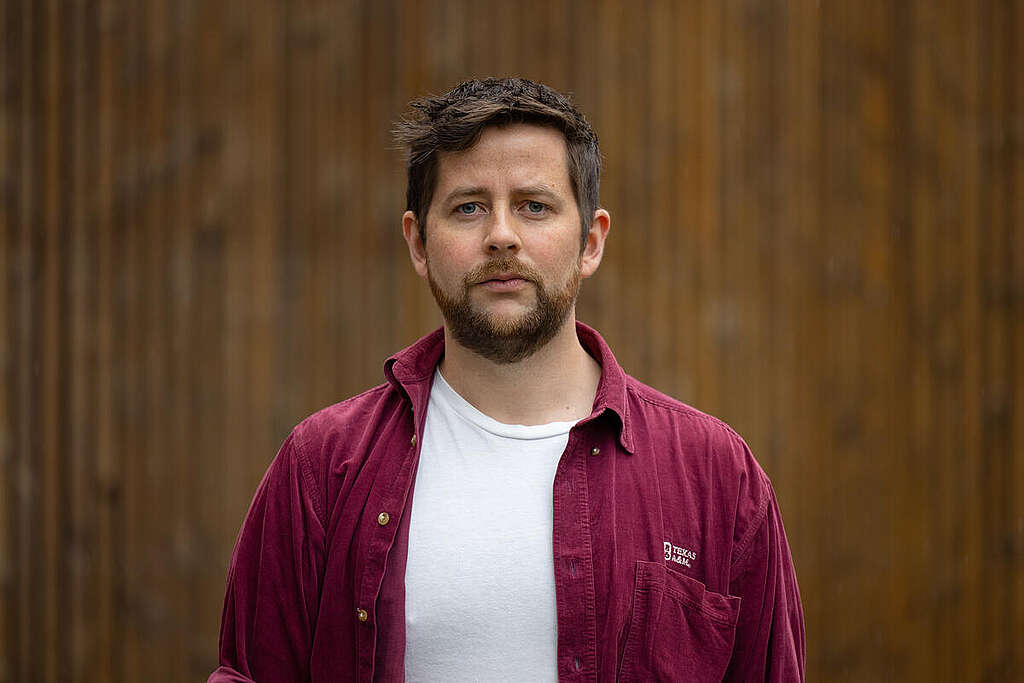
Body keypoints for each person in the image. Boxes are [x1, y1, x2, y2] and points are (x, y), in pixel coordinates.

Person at [209, 77, 805, 682]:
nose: (501, 235)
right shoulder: (323, 466)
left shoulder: (715, 475)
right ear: (418, 243)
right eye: (468, 207)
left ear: (590, 242)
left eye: (534, 206)